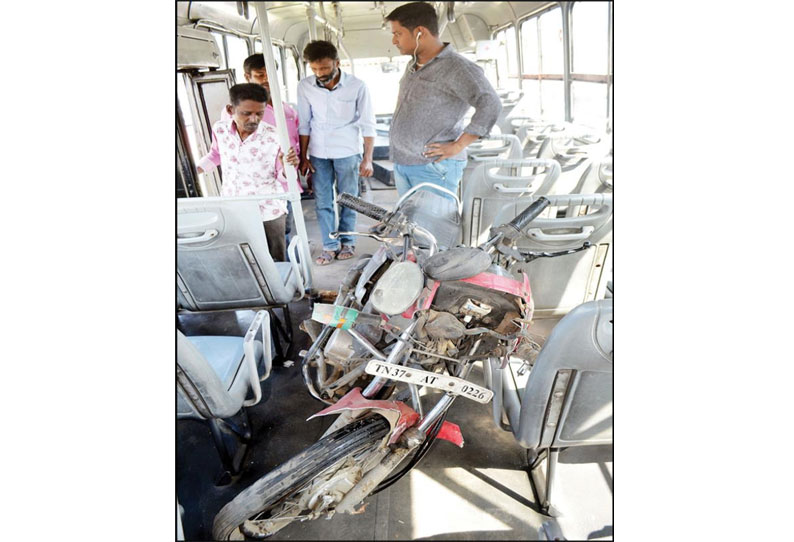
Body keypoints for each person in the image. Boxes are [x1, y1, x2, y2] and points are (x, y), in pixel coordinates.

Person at [385, 2, 501, 196]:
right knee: (409, 225)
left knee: (433, 226)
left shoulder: (457, 67)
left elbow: (490, 104)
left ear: (420, 32)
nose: (394, 41)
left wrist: (458, 145)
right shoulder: (414, 65)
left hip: (433, 167)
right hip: (405, 163)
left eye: (398, 34)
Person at [200, 53, 303, 246]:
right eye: (247, 114)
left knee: (279, 246)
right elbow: (216, 154)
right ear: (231, 111)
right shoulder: (221, 128)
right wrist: (196, 169)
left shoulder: (280, 124)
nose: (253, 119)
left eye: (259, 114)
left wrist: (287, 165)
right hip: (235, 203)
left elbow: (283, 169)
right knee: (245, 250)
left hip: (272, 201)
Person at [296, 40, 376, 266]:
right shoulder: (305, 87)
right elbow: (304, 123)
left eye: (324, 68)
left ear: (337, 63)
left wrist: (368, 158)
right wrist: (303, 157)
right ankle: (330, 245)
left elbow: (368, 124)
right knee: (322, 201)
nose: (319, 73)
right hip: (318, 152)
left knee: (348, 199)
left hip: (348, 150)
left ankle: (348, 241)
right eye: (314, 69)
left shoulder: (357, 86)